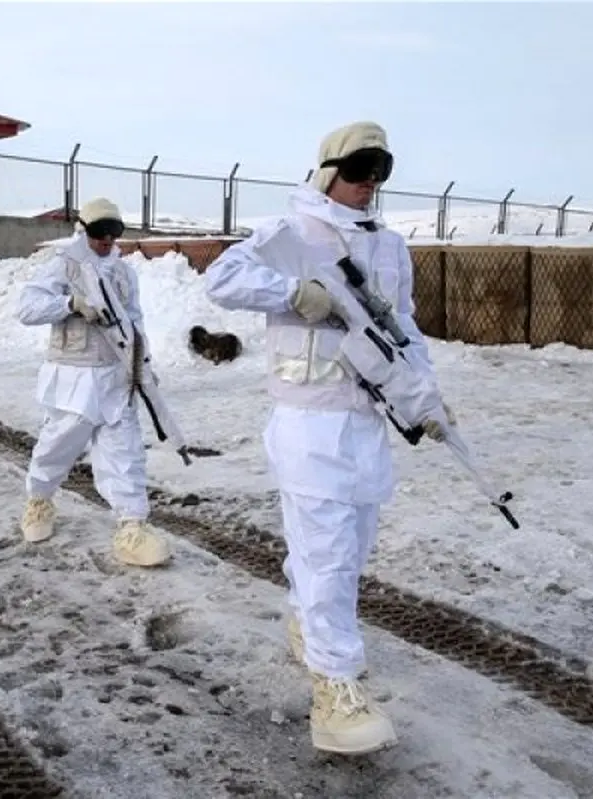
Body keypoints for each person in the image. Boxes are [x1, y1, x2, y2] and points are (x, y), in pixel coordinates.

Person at [203, 121, 453, 755]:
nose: (369, 183)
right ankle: (333, 689)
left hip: (367, 421)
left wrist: (423, 393)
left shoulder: (392, 247)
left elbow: (406, 328)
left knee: (353, 545)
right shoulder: (291, 233)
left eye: (380, 171)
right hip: (309, 422)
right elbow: (222, 279)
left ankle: (306, 625)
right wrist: (294, 291)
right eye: (359, 169)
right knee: (329, 554)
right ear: (327, 172)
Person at [15, 197, 171, 568]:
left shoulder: (123, 272)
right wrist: (70, 304)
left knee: (125, 451)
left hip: (116, 374)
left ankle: (132, 527)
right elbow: (27, 308)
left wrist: (141, 361)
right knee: (58, 445)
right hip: (73, 376)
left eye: (114, 233)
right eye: (99, 232)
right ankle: (39, 501)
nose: (106, 240)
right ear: (84, 231)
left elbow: (134, 319)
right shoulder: (63, 265)